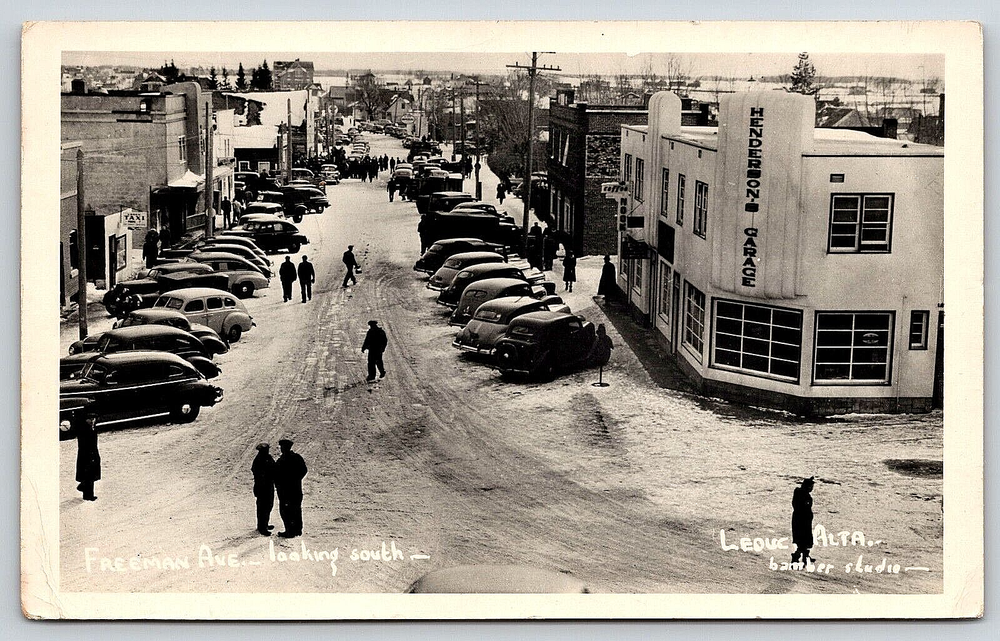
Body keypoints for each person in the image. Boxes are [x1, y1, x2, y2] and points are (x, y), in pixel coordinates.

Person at [274, 439, 307, 538]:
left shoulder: (282, 460)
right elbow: (304, 470)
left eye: (282, 448)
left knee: (286, 510)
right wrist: (296, 479)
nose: (281, 449)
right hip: (296, 489)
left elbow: (276, 474)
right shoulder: (297, 458)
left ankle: (289, 531)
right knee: (296, 509)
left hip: (285, 491)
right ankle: (297, 530)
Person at [251, 442, 276, 536]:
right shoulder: (259, 460)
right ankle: (262, 527)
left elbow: (274, 468)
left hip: (268, 486)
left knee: (268, 505)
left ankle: (264, 524)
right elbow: (256, 472)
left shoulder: (268, 458)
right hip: (262, 487)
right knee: (263, 507)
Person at [75, 413, 101, 501]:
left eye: (93, 419)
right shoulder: (84, 429)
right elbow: (84, 444)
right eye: (90, 419)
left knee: (91, 474)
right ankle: (88, 495)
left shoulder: (92, 428)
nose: (92, 421)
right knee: (89, 475)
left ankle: (84, 488)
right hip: (86, 454)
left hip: (92, 453)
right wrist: (91, 455)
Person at [791, 477, 816, 565]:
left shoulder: (801, 493)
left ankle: (804, 557)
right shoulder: (802, 495)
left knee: (804, 540)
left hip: (802, 520)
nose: (812, 488)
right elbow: (801, 507)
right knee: (804, 540)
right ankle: (798, 556)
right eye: (811, 486)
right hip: (802, 521)